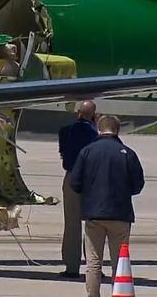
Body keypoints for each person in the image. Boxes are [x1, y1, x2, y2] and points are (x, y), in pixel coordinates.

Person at [70, 115, 144, 297]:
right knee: (119, 262)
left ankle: (93, 294)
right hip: (120, 214)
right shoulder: (128, 153)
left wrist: (90, 193)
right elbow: (138, 185)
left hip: (93, 214)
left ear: (99, 129)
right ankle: (118, 292)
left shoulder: (87, 151)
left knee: (93, 262)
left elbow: (75, 183)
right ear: (117, 130)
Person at [57, 100, 98, 278]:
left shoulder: (65, 131)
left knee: (72, 224)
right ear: (94, 115)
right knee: (94, 225)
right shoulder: (96, 133)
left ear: (78, 114)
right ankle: (94, 266)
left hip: (71, 176)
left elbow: (63, 153)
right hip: (92, 180)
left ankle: (71, 266)